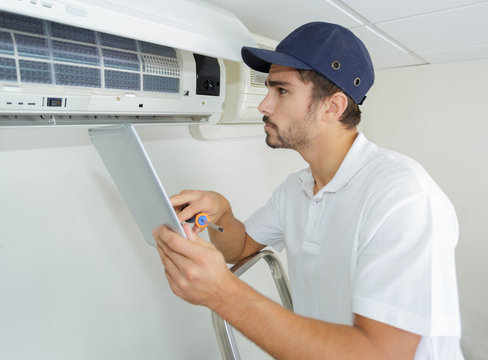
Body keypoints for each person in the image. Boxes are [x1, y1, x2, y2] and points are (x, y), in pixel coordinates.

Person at [153, 22, 463, 359]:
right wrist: (222, 211)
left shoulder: (402, 197)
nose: (264, 106)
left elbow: (382, 353)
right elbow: (240, 247)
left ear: (333, 106)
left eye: (281, 90)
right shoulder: (296, 189)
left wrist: (223, 294)